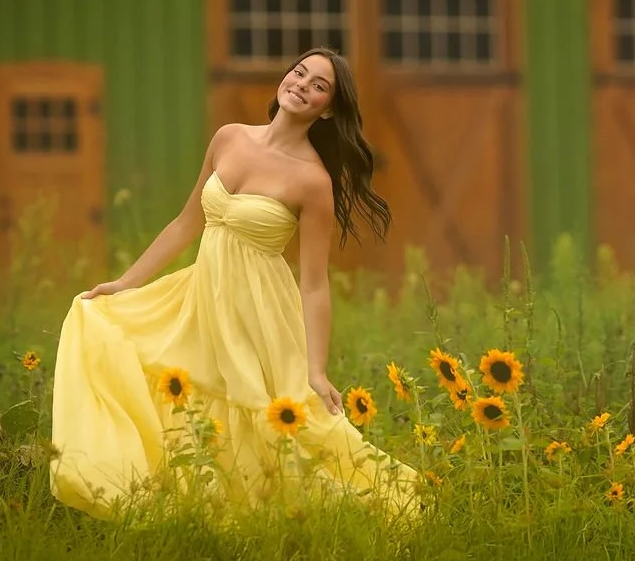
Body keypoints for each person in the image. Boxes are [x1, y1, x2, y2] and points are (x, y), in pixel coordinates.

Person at [50, 47, 419, 521]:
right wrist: (126, 282)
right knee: (114, 333)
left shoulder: (313, 182)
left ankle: (296, 515)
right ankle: (187, 503)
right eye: (299, 72)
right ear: (285, 78)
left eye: (319, 85)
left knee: (266, 416)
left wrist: (317, 370)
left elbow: (314, 285)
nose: (302, 84)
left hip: (258, 309)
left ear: (327, 108)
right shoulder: (229, 138)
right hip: (204, 293)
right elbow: (186, 224)